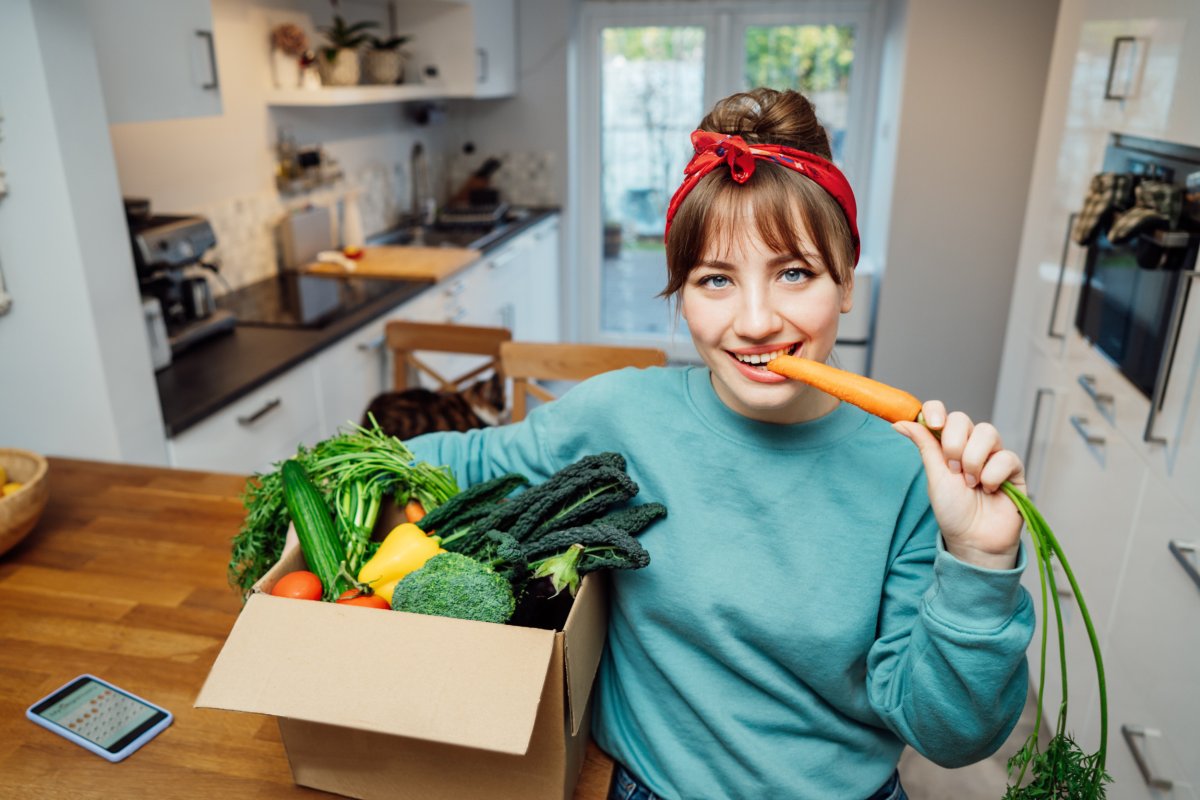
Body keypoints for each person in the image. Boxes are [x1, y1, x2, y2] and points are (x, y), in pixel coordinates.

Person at [405, 87, 1034, 800]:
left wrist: (980, 562)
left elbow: (950, 736)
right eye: (716, 279)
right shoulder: (623, 413)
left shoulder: (915, 475)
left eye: (794, 272)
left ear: (846, 281)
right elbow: (467, 465)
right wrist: (336, 474)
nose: (757, 321)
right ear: (682, 295)